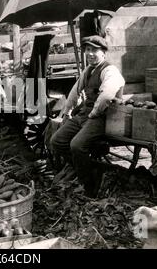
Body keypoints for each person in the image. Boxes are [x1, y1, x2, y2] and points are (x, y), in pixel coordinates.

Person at [50, 35, 125, 198]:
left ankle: (89, 186)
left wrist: (93, 113)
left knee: (77, 146)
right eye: (88, 50)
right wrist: (67, 112)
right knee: (56, 141)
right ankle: (88, 169)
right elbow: (74, 92)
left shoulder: (110, 71)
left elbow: (106, 97)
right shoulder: (89, 70)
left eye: (95, 50)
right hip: (85, 114)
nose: (90, 54)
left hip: (103, 116)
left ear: (104, 52)